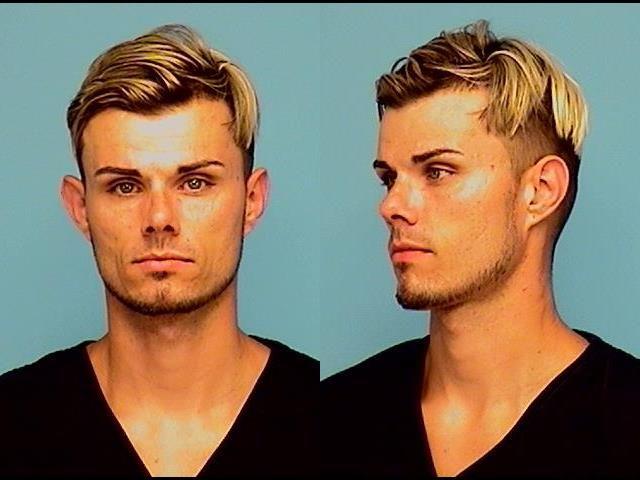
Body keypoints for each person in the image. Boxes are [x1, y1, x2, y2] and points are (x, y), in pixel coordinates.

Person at [322, 19, 639, 477]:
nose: (391, 206)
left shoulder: (627, 424)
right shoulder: (333, 417)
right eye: (389, 178)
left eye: (437, 172)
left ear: (540, 191)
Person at [0, 24, 317, 477]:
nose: (159, 218)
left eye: (195, 183)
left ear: (252, 200)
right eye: (125, 186)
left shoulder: (329, 414)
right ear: (80, 208)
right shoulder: (11, 422)